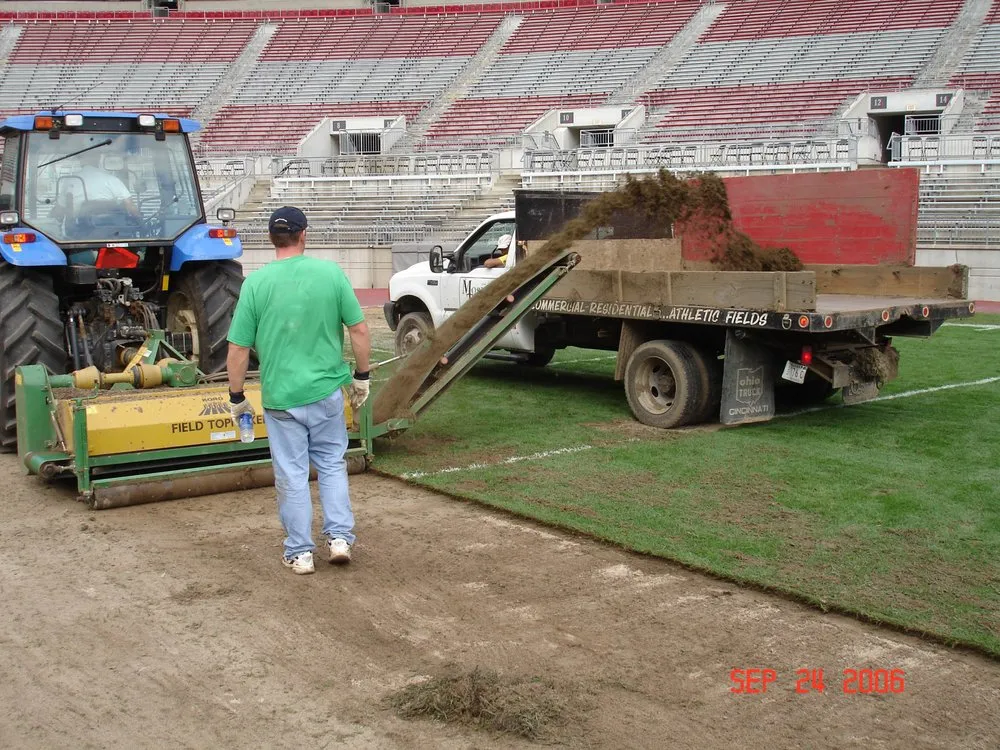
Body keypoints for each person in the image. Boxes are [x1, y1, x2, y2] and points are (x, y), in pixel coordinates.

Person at [226, 206, 371, 576]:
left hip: (281, 399)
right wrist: (362, 376)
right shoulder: (330, 273)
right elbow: (359, 329)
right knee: (332, 465)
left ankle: (300, 553)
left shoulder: (256, 284)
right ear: (304, 234)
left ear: (272, 239)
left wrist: (236, 396)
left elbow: (238, 349)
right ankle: (339, 538)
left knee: (291, 474)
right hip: (325, 393)